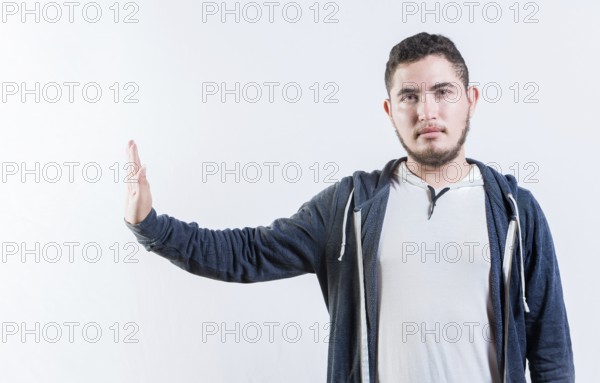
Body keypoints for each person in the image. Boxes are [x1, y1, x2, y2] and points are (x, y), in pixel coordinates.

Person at [123, 32, 574, 382]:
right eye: (409, 97)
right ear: (389, 110)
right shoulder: (351, 207)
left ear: (470, 101)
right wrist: (151, 225)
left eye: (443, 92)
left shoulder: (515, 211)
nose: (427, 111)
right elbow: (248, 254)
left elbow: (550, 346)